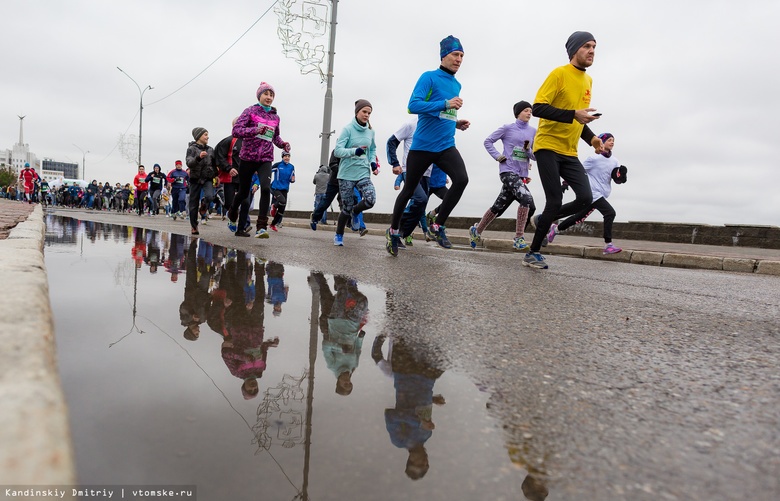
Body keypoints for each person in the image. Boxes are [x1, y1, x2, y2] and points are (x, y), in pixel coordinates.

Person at [523, 31, 604, 269]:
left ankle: (541, 220)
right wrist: (573, 115)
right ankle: (532, 252)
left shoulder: (588, 81)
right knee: (555, 199)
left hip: (569, 151)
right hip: (547, 145)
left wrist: (592, 140)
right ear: (574, 50)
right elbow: (538, 107)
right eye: (587, 46)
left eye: (594, 47)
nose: (591, 51)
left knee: (586, 198)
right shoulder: (559, 74)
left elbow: (580, 118)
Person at [386, 35, 471, 256]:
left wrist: (456, 123)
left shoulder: (456, 83)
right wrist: (446, 103)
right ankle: (394, 230)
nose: (459, 59)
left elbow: (444, 114)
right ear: (444, 55)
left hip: (445, 145)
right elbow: (413, 105)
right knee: (407, 192)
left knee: (462, 179)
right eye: (455, 54)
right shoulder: (429, 77)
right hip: (422, 146)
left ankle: (437, 224)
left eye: (462, 55)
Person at [469, 101, 537, 251]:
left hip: (521, 176)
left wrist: (527, 150)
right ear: (518, 113)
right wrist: (498, 156)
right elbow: (488, 141)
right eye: (526, 110)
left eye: (530, 111)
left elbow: (535, 156)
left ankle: (477, 230)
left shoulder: (533, 131)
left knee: (500, 206)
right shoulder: (508, 128)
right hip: (507, 171)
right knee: (525, 198)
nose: (529, 113)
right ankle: (518, 238)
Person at [227, 82, 291, 238]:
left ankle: (261, 227)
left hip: (265, 158)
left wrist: (283, 144)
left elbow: (275, 137)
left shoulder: (275, 117)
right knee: (243, 192)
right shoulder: (250, 111)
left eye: (271, 95)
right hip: (248, 157)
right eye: (266, 94)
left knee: (266, 188)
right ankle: (232, 212)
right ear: (259, 95)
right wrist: (255, 130)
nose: (269, 97)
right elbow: (236, 130)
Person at [546, 132, 627, 254]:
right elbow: (577, 172)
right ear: (601, 142)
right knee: (610, 213)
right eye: (609, 140)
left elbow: (616, 179)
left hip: (603, 194)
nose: (612, 142)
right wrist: (565, 184)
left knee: (578, 218)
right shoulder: (593, 159)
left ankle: (555, 229)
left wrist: (622, 175)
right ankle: (608, 245)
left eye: (613, 140)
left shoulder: (614, 161)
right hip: (593, 193)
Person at [333, 99, 380, 247]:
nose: (367, 115)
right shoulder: (347, 129)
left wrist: (372, 162)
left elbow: (372, 149)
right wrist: (355, 151)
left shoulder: (371, 131)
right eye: (364, 112)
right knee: (346, 207)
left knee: (371, 199)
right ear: (357, 112)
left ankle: (355, 212)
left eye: (369, 113)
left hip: (363, 172)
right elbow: (338, 151)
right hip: (346, 174)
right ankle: (339, 235)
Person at [185, 127, 217, 235]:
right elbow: (189, 163)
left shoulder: (211, 149)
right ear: (198, 136)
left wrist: (216, 175)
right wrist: (198, 157)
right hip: (195, 178)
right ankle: (194, 226)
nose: (208, 137)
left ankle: (204, 205)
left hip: (207, 177)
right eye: (205, 134)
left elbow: (213, 164)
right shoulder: (191, 149)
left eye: (207, 134)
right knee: (193, 204)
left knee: (209, 196)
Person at [214, 128, 243, 221]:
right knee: (229, 204)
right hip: (229, 177)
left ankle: (244, 225)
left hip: (243, 177)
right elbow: (219, 156)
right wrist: (228, 168)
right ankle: (232, 219)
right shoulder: (228, 141)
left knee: (245, 202)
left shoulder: (249, 141)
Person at [309, 150, 341, 230]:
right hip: (334, 182)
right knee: (325, 204)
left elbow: (314, 182)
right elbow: (332, 165)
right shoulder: (328, 175)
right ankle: (321, 220)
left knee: (321, 204)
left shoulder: (317, 175)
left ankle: (316, 218)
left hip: (319, 192)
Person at [268, 152, 296, 231]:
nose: (287, 158)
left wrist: (293, 180)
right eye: (285, 156)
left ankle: (273, 224)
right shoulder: (278, 165)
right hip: (276, 188)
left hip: (285, 189)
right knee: (282, 201)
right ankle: (274, 206)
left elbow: (292, 177)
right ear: (282, 157)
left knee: (282, 210)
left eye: (288, 156)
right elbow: (268, 170)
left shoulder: (291, 167)